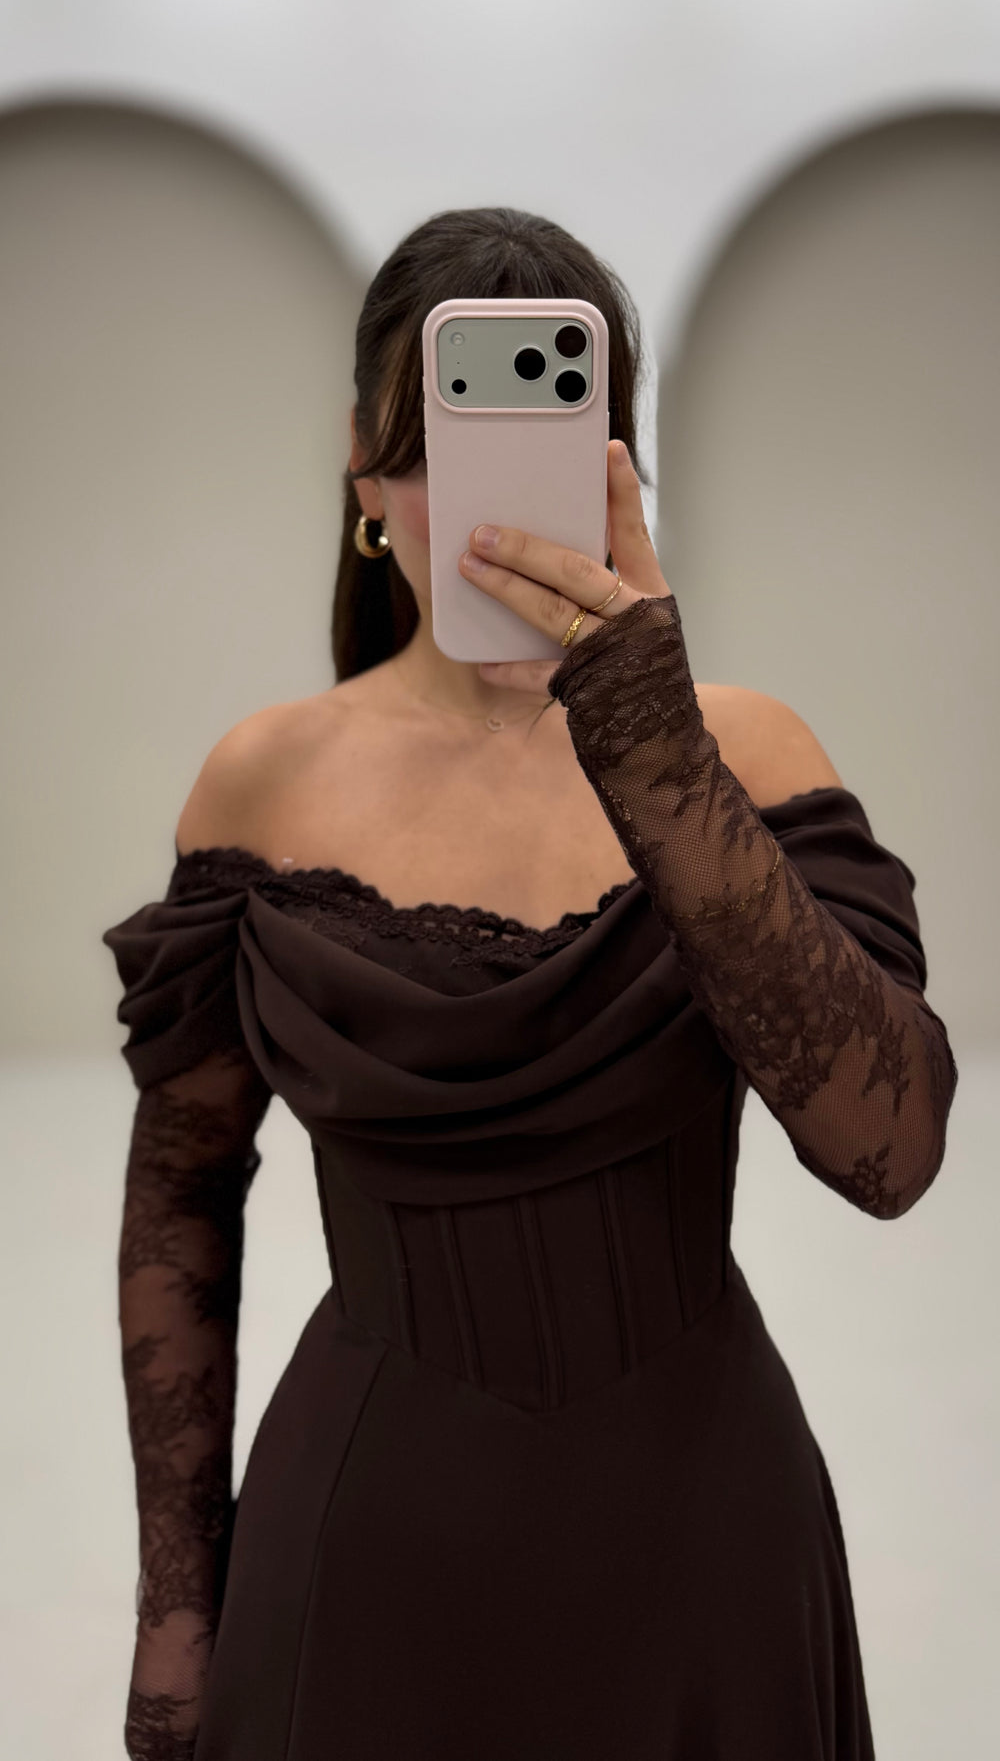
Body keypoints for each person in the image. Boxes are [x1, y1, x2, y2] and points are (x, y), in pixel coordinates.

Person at [102, 205, 959, 1761]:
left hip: (706, 1548)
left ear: (617, 469)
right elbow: (179, 1197)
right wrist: (177, 1613)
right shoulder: (264, 778)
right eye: (432, 448)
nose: (483, 506)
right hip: (365, 1548)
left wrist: (651, 738)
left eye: (541, 444)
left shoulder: (744, 751)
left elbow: (886, 1147)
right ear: (363, 477)